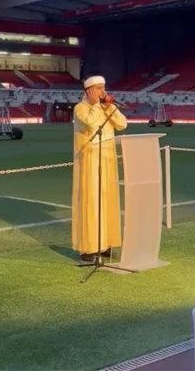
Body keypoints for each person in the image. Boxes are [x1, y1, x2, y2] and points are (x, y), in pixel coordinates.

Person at [71, 75, 128, 261]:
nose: (103, 92)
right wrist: (97, 105)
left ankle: (106, 243)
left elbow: (122, 124)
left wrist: (109, 107)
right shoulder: (80, 108)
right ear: (89, 91)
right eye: (98, 88)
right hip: (90, 160)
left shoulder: (106, 107)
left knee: (108, 200)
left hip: (108, 158)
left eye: (104, 87)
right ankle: (89, 248)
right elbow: (91, 122)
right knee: (92, 202)